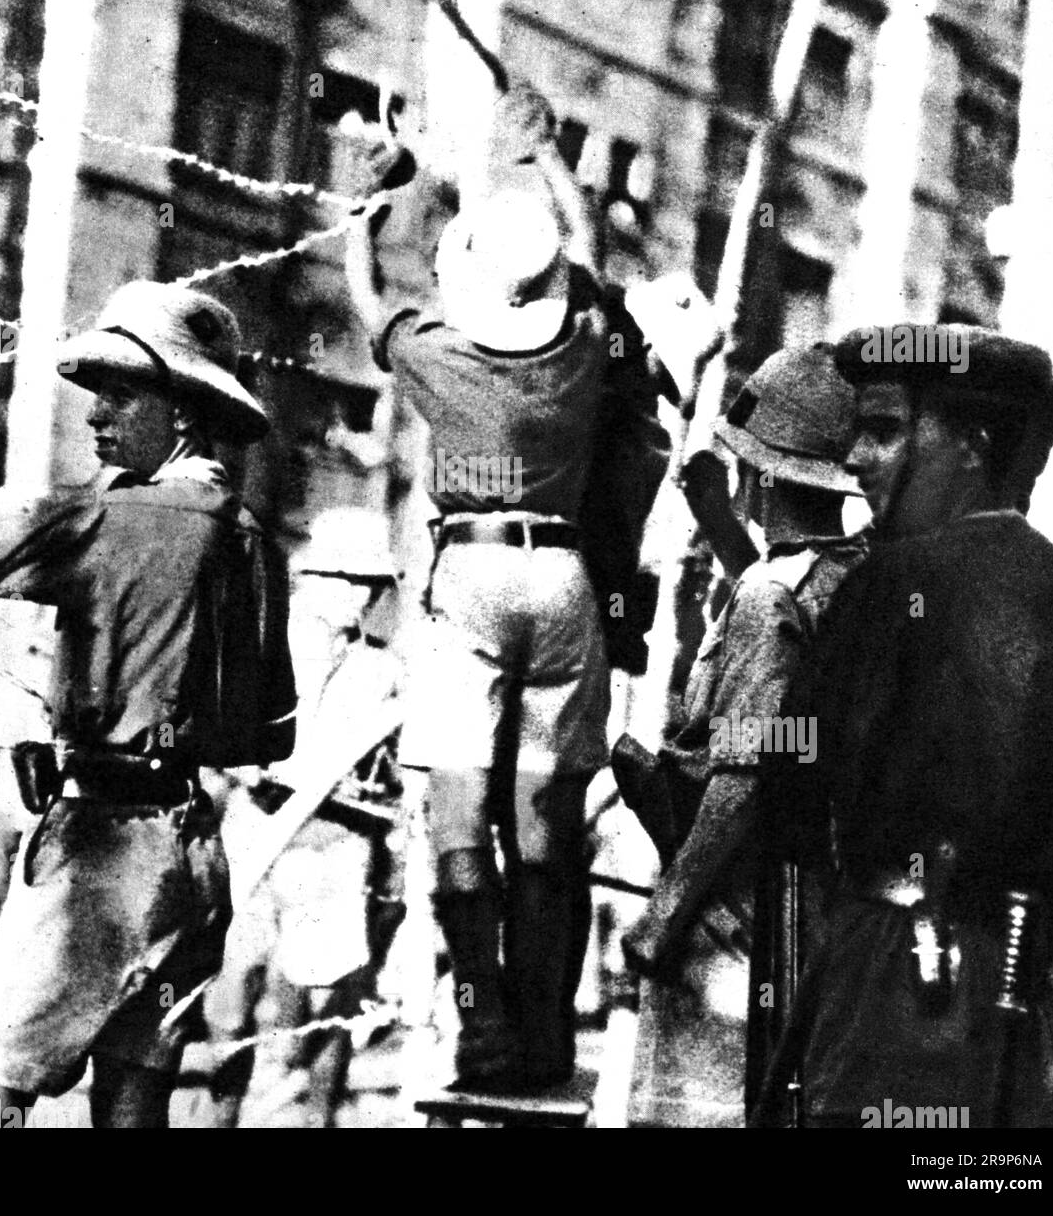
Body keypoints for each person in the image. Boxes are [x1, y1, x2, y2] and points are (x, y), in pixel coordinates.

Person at [0, 280, 297, 1128]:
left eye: (121, 396)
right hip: (190, 852)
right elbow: (265, 734)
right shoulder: (248, 539)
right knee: (132, 1113)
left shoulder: (120, 517)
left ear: (186, 415)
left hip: (100, 849)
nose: (95, 418)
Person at [756, 323, 1053, 1128]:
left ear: (971, 445)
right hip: (1030, 1003)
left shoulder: (890, 582)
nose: (855, 459)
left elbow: (789, 788)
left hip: (891, 977)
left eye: (883, 430)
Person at [344, 117, 611, 1091]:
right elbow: (583, 248)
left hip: (472, 574)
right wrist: (544, 156)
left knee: (458, 815)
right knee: (546, 828)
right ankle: (542, 1039)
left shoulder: (438, 356)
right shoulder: (581, 343)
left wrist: (363, 200)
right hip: (565, 582)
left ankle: (482, 1021)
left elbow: (364, 291)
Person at [615, 343, 867, 1126]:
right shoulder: (857, 569)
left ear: (759, 475)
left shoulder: (767, 595)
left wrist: (667, 912)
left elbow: (743, 771)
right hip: (808, 896)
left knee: (697, 1109)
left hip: (731, 897)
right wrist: (722, 529)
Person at [205, 505, 405, 1128]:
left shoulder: (383, 669)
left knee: (331, 1000)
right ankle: (218, 1119)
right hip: (257, 830)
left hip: (339, 844)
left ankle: (316, 1121)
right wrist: (247, 766)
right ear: (314, 577)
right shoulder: (262, 646)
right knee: (233, 993)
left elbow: (394, 778)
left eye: (368, 583)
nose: (358, 595)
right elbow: (213, 739)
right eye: (345, 578)